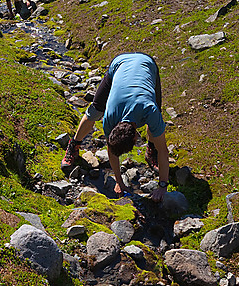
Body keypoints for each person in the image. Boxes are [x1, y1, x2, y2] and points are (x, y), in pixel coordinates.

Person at [61, 52, 169, 202]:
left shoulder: (150, 110)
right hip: (119, 64)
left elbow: (163, 149)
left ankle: (151, 150)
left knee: (155, 129)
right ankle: (74, 145)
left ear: (136, 136)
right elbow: (111, 150)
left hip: (146, 64)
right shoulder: (109, 117)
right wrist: (118, 181)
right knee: (94, 112)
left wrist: (163, 185)